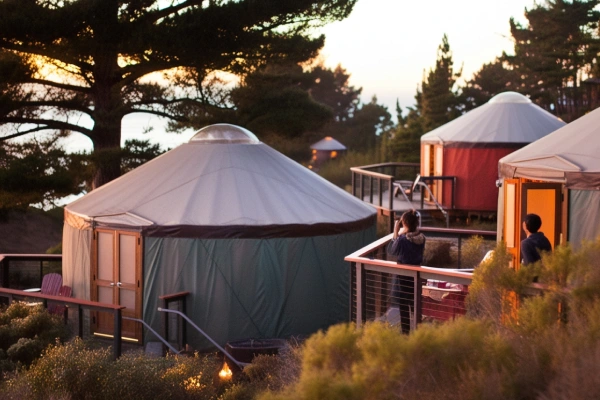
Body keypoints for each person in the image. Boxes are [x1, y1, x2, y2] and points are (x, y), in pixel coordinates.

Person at [387, 209, 426, 333]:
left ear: (405, 224)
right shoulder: (422, 238)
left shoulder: (402, 240)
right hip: (417, 275)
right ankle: (418, 331)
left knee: (404, 305)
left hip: (403, 277)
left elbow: (391, 250)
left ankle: (406, 332)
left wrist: (395, 232)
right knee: (415, 303)